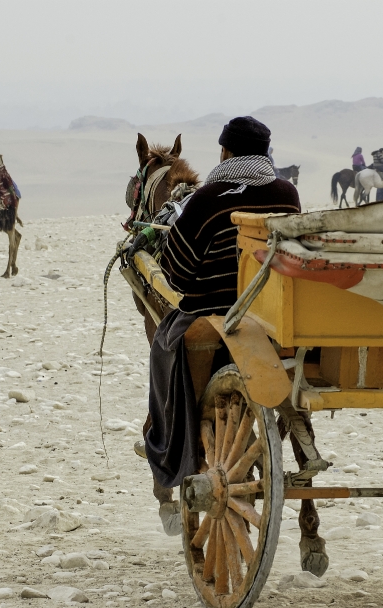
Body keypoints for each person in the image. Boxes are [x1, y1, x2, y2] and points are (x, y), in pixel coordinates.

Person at [144, 116, 300, 534]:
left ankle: (169, 442)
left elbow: (176, 274)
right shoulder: (287, 192)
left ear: (225, 153)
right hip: (275, 320)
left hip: (215, 317)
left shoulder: (209, 198)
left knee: (163, 346)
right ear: (265, 153)